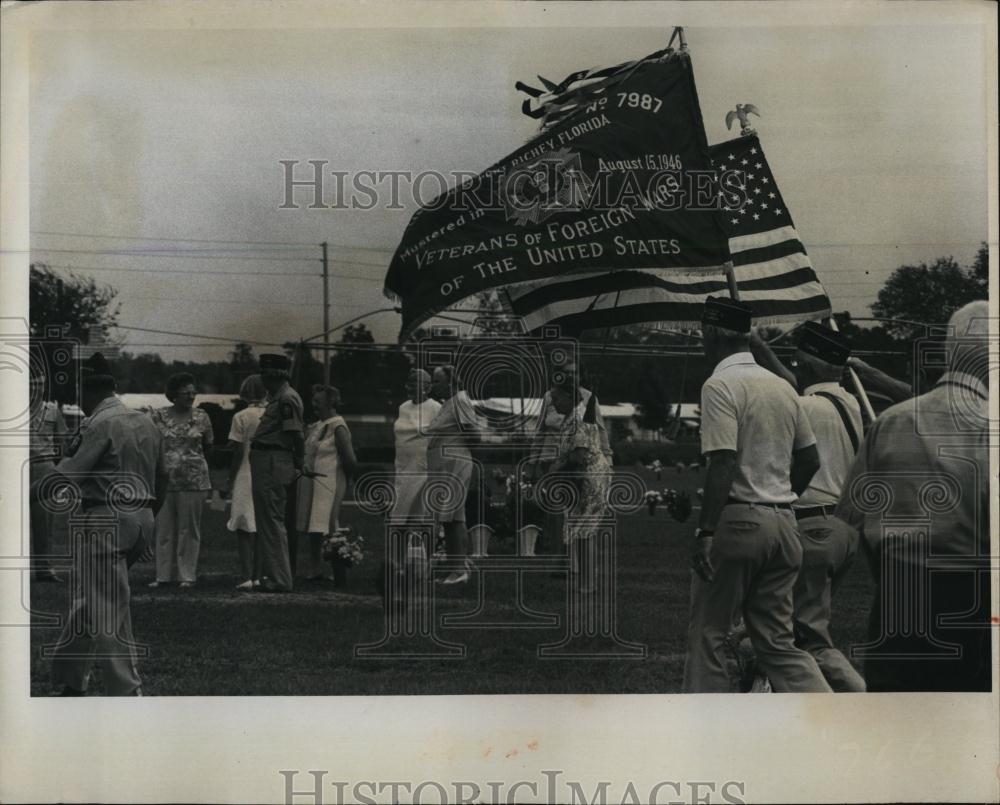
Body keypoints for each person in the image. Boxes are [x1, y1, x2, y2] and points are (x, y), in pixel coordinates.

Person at [835, 300, 991, 691]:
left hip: (897, 598)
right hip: (973, 602)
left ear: (948, 352)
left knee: (895, 730)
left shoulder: (890, 422)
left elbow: (847, 521)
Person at [683, 296, 831, 693]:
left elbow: (723, 461)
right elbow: (810, 458)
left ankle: (708, 725)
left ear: (711, 332)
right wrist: (780, 496)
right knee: (779, 643)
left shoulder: (719, 384)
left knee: (709, 632)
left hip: (739, 520)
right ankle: (829, 713)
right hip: (784, 523)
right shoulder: (783, 386)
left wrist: (706, 531)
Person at [34, 353, 166, 695]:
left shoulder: (97, 424)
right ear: (114, 387)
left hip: (105, 518)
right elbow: (163, 478)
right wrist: (146, 524)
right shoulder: (147, 421)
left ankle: (126, 688)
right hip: (142, 515)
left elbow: (66, 475)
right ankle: (68, 678)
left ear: (85, 392)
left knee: (106, 605)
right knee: (93, 601)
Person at [751, 321, 867, 692]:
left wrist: (753, 344)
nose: (796, 364)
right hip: (843, 530)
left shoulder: (807, 408)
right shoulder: (848, 401)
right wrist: (757, 344)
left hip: (811, 526)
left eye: (801, 359)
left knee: (799, 638)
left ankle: (856, 697)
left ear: (813, 363)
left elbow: (786, 391)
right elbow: (791, 384)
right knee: (801, 631)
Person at [525, 359, 611, 552]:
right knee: (556, 510)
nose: (571, 376)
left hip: (579, 461)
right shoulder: (549, 397)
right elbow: (540, 431)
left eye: (575, 373)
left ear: (581, 376)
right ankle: (559, 554)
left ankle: (574, 554)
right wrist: (532, 462)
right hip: (551, 460)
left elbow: (600, 430)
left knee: (578, 509)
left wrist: (608, 456)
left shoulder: (589, 398)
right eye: (567, 372)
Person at [545, 384, 614, 594]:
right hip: (583, 477)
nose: (553, 403)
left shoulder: (578, 419)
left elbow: (580, 455)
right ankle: (586, 581)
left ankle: (588, 583)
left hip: (590, 478)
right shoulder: (572, 417)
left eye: (556, 398)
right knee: (582, 531)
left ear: (569, 397)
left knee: (586, 531)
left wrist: (556, 468)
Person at [149, 372, 215, 589]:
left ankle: (187, 575)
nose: (191, 395)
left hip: (194, 480)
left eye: (193, 391)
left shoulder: (202, 416)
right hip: (164, 479)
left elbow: (208, 445)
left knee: (190, 529)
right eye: (186, 391)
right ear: (173, 394)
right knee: (163, 528)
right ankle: (163, 576)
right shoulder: (157, 416)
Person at [249, 353, 305, 593]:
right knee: (269, 519)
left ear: (272, 375)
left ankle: (279, 578)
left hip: (273, 459)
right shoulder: (280, 397)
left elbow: (296, 434)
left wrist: (299, 463)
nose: (261, 378)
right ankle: (273, 575)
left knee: (271, 519)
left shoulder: (286, 399)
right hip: (269, 458)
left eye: (264, 373)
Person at [424, 364, 482, 585]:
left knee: (454, 518)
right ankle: (455, 568)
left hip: (454, 464)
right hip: (443, 465)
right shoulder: (447, 403)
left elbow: (474, 436)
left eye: (437, 381)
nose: (433, 386)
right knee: (449, 519)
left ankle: (459, 570)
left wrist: (454, 450)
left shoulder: (460, 400)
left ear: (451, 382)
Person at [296, 385, 359, 580]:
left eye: (318, 401)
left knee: (330, 524)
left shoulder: (338, 426)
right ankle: (315, 570)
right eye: (313, 400)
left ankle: (337, 570)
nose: (314, 404)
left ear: (331, 402)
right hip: (311, 481)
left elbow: (350, 459)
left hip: (330, 480)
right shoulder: (317, 425)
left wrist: (344, 480)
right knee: (314, 526)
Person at [225, 374, 267, 590]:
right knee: (261, 525)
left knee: (243, 525)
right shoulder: (272, 414)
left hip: (245, 472)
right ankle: (259, 576)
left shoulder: (240, 416)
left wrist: (230, 480)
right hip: (267, 472)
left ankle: (246, 575)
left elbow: (238, 452)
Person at [28, 367, 68, 583]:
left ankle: (44, 569)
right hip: (17, 467)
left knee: (45, 521)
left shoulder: (52, 410)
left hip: (44, 465)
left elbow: (62, 440)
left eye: (40, 385)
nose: (36, 389)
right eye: (32, 385)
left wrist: (58, 467)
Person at [390, 368, 441, 521]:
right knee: (399, 515)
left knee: (419, 515)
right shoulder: (403, 407)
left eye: (414, 383)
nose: (408, 387)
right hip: (403, 468)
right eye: (408, 382)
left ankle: (420, 545)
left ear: (427, 387)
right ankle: (402, 545)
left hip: (423, 470)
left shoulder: (436, 408)